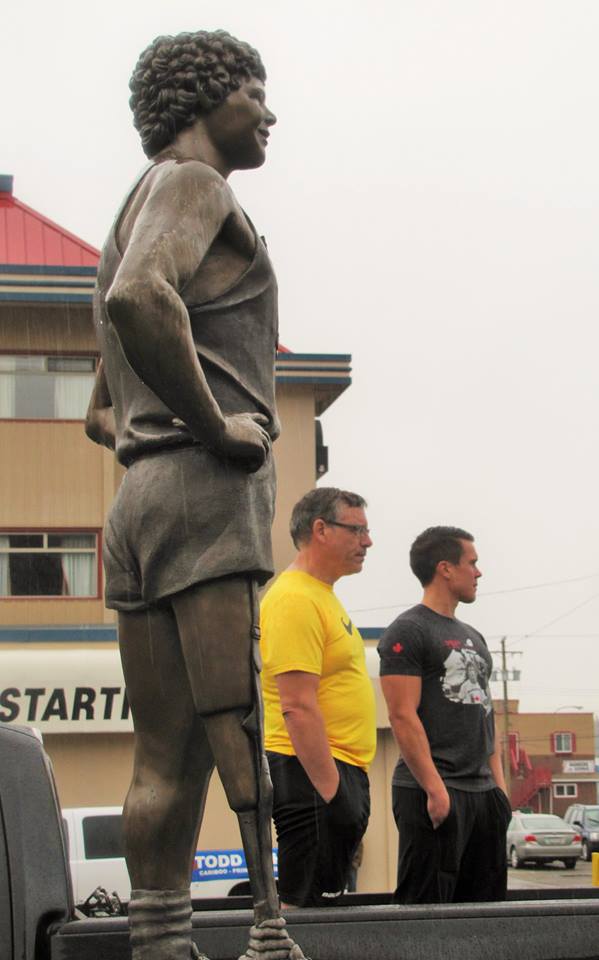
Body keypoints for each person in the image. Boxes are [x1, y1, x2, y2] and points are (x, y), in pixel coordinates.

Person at [85, 29, 303, 960]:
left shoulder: (125, 214)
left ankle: (158, 941)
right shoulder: (195, 186)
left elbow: (101, 412)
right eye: (255, 92)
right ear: (208, 96)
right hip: (204, 486)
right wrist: (218, 429)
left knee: (160, 756)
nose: (268, 112)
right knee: (235, 724)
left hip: (136, 499)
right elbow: (144, 299)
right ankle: (266, 933)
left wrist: (162, 434)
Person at [377, 526, 510, 904]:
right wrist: (435, 790)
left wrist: (499, 793)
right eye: (473, 563)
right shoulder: (408, 630)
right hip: (434, 792)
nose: (479, 573)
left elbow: (486, 715)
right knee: (427, 916)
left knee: (486, 919)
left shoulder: (475, 636)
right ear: (445, 569)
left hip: (483, 795)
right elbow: (402, 716)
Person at [260, 488, 376, 908]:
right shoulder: (294, 599)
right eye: (357, 530)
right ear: (320, 529)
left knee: (324, 911)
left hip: (333, 772)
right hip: (310, 773)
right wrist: (332, 791)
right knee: (302, 914)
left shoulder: (321, 595)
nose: (367, 542)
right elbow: (296, 704)